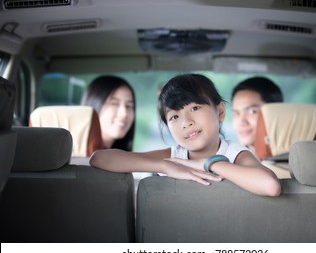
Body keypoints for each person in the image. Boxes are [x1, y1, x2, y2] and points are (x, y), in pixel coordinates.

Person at [90, 73, 281, 196]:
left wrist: (209, 164)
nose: (186, 122)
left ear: (220, 111)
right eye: (174, 117)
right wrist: (165, 166)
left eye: (195, 107)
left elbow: (270, 186)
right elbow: (100, 159)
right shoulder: (173, 157)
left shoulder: (235, 153)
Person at [81, 75, 136, 151]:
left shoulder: (118, 155)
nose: (124, 114)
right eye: (114, 104)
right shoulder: (81, 154)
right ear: (94, 105)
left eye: (129, 106)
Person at [231, 76, 283, 153]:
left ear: (275, 113)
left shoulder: (296, 159)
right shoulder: (229, 161)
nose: (242, 122)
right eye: (236, 113)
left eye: (252, 111)